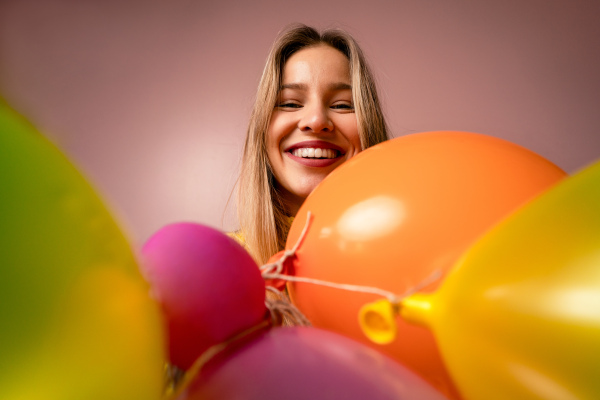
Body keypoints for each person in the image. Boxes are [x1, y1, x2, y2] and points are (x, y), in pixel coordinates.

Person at [234, 24, 390, 265]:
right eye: (290, 103)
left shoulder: (415, 261)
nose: (317, 121)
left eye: (342, 105)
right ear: (262, 129)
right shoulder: (216, 265)